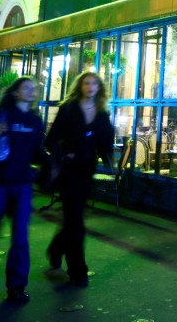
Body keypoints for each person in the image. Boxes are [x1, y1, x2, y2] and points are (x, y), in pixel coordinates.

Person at [0, 76, 47, 304]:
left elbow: (36, 152)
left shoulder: (35, 120)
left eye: (34, 88)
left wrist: (52, 159)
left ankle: (16, 286)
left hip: (23, 184)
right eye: (27, 88)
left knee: (20, 237)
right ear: (16, 93)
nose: (32, 91)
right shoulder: (3, 115)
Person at [44, 71, 115, 287]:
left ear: (99, 88)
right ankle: (78, 270)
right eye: (87, 83)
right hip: (68, 170)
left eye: (94, 83)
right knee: (76, 220)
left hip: (86, 170)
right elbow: (52, 138)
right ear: (80, 86)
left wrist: (110, 163)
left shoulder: (102, 114)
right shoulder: (69, 109)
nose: (90, 86)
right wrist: (65, 152)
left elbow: (105, 141)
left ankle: (56, 249)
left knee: (74, 218)